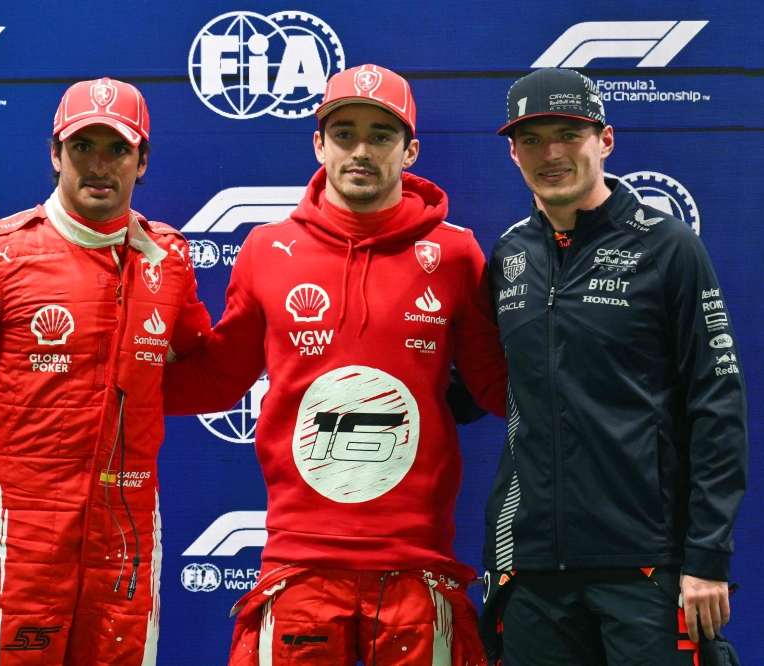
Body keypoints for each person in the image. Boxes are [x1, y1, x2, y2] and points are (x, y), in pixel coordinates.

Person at [161, 64, 508, 665]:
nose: (361, 150)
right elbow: (217, 379)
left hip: (416, 565)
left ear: (410, 150)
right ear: (319, 143)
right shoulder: (267, 249)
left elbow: (499, 388)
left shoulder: (456, 253)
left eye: (381, 135)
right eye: (344, 132)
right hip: (300, 565)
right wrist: (97, 373)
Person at [0, 77, 211, 664]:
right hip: (20, 531)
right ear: (54, 153)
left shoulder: (167, 259)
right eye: (81, 146)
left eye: (116, 149)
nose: (98, 165)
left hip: (130, 532)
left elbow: (205, 370)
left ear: (141, 161)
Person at [461, 68, 748, 665]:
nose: (553, 152)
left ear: (606, 140)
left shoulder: (667, 247)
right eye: (533, 139)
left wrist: (706, 557)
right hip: (531, 565)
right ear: (513, 152)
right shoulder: (509, 256)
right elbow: (470, 388)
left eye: (570, 133)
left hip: (643, 562)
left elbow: (716, 405)